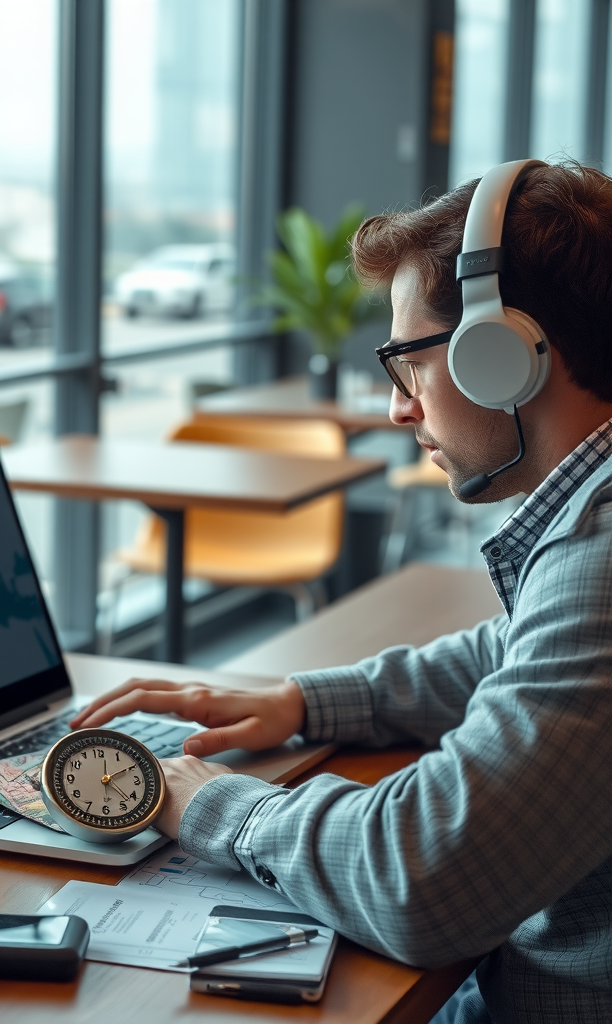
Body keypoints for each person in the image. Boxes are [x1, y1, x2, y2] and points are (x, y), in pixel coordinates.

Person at [70, 160, 612, 1023]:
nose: (400, 409)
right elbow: (515, 649)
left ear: (504, 354)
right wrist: (304, 701)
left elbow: (426, 878)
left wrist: (208, 803)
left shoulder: (601, 555)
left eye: (407, 363)